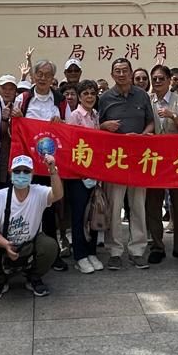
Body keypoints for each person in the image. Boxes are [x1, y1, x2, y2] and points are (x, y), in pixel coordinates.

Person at [97, 57, 156, 270]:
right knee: (115, 205)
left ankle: (137, 249)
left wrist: (143, 135)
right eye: (117, 71)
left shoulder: (142, 95)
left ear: (131, 73)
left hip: (139, 159)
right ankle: (114, 250)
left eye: (125, 71)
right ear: (112, 74)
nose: (121, 74)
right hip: (116, 161)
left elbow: (151, 122)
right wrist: (104, 125)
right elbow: (96, 128)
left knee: (138, 205)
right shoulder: (104, 98)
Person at [0, 151, 64, 298]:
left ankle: (34, 277)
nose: (21, 175)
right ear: (11, 173)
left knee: (50, 246)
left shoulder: (38, 192)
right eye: (17, 171)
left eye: (26, 171)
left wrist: (52, 171)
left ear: (32, 174)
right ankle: (0, 281)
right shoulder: (1, 196)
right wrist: (6, 244)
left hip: (30, 243)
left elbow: (58, 194)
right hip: (4, 244)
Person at [149, 64, 178, 261]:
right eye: (154, 79)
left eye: (161, 78)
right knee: (153, 203)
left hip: (177, 159)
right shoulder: (147, 100)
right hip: (153, 160)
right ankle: (157, 247)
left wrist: (172, 115)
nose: (157, 82)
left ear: (169, 80)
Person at [66, 79, 104, 272]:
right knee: (79, 216)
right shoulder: (75, 116)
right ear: (79, 97)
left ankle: (91, 252)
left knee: (93, 213)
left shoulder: (96, 115)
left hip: (95, 172)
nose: (89, 97)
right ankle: (80, 255)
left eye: (92, 93)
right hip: (79, 175)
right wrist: (82, 174)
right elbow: (72, 146)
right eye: (85, 94)